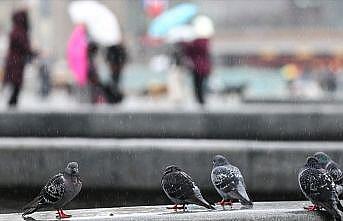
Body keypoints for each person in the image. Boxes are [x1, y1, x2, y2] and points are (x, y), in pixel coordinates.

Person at [3, 9, 36, 106]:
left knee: (15, 84)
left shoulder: (15, 31)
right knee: (16, 84)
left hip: (13, 61)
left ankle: (12, 103)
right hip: (16, 62)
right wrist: (35, 53)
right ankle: (12, 103)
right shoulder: (20, 32)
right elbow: (25, 47)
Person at [181, 38, 211, 104]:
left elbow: (187, 51)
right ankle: (201, 99)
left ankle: (200, 98)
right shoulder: (202, 43)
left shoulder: (194, 44)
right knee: (200, 84)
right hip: (200, 68)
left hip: (198, 67)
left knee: (198, 84)